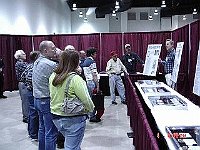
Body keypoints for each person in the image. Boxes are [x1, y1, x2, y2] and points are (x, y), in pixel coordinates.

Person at [49, 50, 94, 150]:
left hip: (56, 116)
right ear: (76, 62)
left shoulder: (52, 76)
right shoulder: (76, 79)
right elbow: (86, 100)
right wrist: (90, 110)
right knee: (71, 147)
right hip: (73, 118)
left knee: (73, 145)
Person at [32, 41, 58, 150]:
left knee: (42, 128)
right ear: (45, 51)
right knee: (51, 132)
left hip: (37, 99)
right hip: (46, 100)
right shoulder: (50, 64)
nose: (55, 50)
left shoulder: (37, 61)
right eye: (53, 48)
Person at [21, 51, 40, 141]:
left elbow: (23, 77)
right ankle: (34, 134)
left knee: (32, 113)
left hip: (30, 91)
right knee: (34, 113)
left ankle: (31, 132)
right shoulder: (34, 66)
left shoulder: (28, 65)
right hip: (33, 92)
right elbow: (31, 79)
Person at [82, 48, 101, 122]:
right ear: (92, 54)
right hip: (92, 82)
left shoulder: (85, 61)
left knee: (89, 99)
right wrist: (98, 85)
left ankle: (90, 114)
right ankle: (92, 116)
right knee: (94, 100)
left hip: (87, 81)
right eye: (95, 53)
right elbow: (94, 75)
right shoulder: (92, 62)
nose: (96, 55)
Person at [14, 50, 28, 123]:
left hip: (23, 83)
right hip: (23, 84)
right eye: (23, 54)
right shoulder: (20, 64)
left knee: (26, 101)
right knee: (25, 101)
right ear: (19, 56)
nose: (25, 55)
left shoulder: (22, 63)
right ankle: (26, 117)